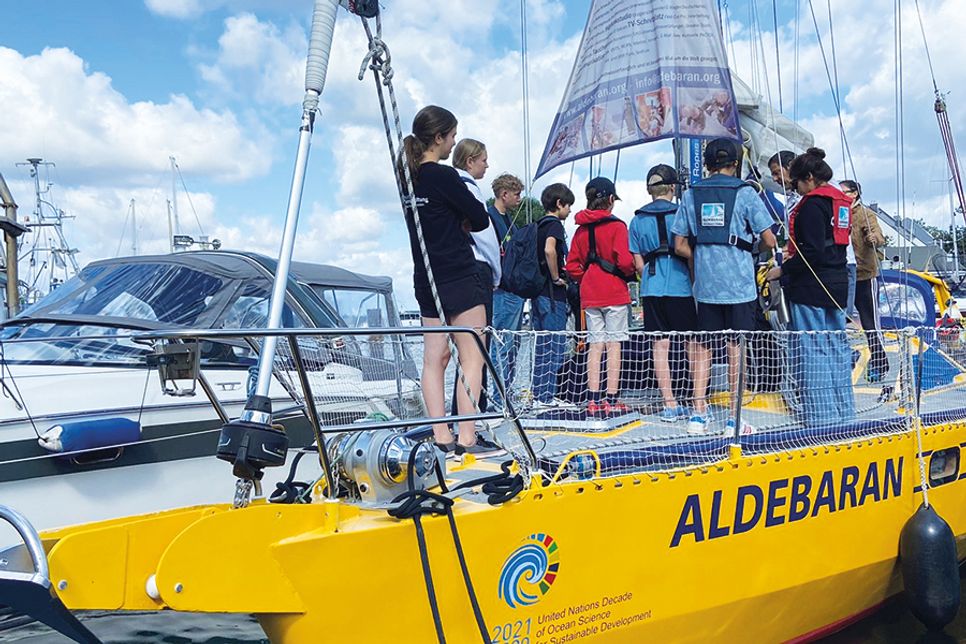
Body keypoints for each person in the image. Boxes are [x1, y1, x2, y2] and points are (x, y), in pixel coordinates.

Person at [400, 105, 490, 453]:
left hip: (425, 278)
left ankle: (441, 437)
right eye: (452, 136)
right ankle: (467, 438)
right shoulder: (444, 176)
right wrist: (460, 219)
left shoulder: (407, 178)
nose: (454, 143)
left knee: (434, 358)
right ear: (438, 138)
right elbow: (480, 218)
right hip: (458, 274)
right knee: (472, 356)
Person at [672, 138, 777, 434]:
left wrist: (703, 256)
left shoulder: (691, 194)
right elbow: (769, 239)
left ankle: (698, 414)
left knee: (703, 347)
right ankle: (734, 417)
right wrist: (748, 250)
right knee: (736, 349)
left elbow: (679, 244)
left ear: (707, 164)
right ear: (735, 163)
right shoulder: (746, 193)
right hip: (740, 286)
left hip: (706, 286)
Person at [766, 148, 855, 427]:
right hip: (838, 283)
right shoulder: (839, 202)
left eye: (797, 183)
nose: (795, 188)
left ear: (808, 178)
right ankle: (845, 413)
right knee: (837, 348)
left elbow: (811, 252)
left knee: (812, 350)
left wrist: (782, 270)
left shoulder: (812, 206)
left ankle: (821, 417)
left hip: (811, 287)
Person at [629, 164, 699, 422]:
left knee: (659, 345)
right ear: (672, 188)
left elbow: (638, 264)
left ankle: (669, 404)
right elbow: (691, 253)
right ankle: (697, 402)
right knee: (692, 343)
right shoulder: (683, 213)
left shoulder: (636, 220)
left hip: (652, 286)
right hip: (680, 284)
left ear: (649, 190)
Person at [565, 177, 636, 415]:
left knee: (595, 346)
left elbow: (571, 265)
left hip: (590, 293)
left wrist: (585, 277)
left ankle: (593, 399)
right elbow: (625, 261)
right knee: (614, 345)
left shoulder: (580, 230)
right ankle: (611, 399)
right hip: (614, 292)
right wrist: (626, 273)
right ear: (611, 199)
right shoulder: (618, 227)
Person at [452, 138, 498, 414]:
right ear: (470, 161)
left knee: (458, 350)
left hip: (451, 270)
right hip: (477, 268)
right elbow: (485, 237)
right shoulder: (469, 189)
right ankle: (475, 411)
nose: (487, 165)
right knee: (478, 349)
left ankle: (458, 413)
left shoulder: (447, 187)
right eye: (483, 160)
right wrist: (496, 273)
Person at [531, 183, 575, 407]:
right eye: (568, 206)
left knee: (542, 345)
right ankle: (547, 396)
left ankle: (539, 394)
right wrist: (557, 276)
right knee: (555, 344)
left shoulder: (537, 225)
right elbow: (550, 250)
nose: (569, 211)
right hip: (552, 294)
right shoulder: (554, 225)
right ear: (559, 204)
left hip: (537, 292)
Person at [840, 179, 888, 381]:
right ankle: (843, 359)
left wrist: (873, 239)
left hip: (865, 275)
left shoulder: (865, 214)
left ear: (854, 194)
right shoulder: (837, 213)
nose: (840, 195)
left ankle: (880, 363)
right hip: (843, 275)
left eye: (844, 192)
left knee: (870, 322)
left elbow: (877, 234)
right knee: (840, 318)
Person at [488, 173, 524, 406]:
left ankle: (506, 392)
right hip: (501, 291)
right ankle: (499, 398)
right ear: (504, 194)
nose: (519, 199)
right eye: (516, 194)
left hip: (514, 291)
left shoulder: (509, 219)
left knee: (513, 346)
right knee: (501, 344)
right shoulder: (490, 219)